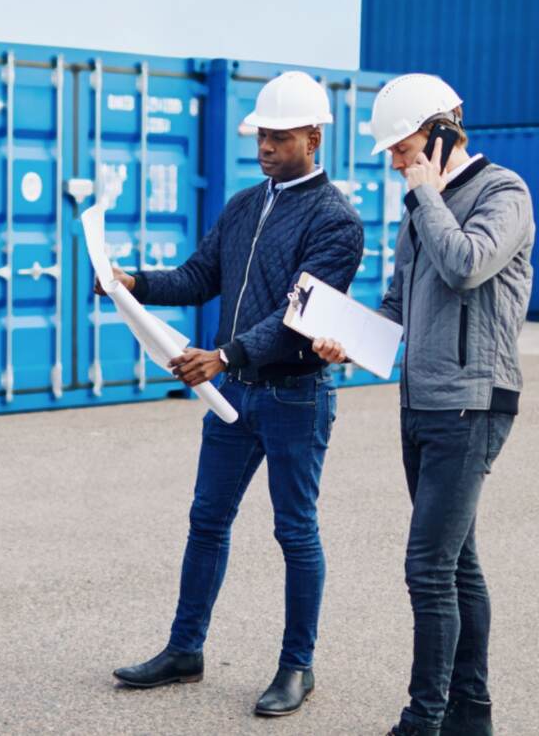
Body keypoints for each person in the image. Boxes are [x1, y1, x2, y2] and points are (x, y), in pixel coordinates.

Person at [102, 71, 363, 717]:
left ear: (313, 135)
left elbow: (299, 316)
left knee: (294, 531)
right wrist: (129, 280)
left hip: (293, 397)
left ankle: (296, 667)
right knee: (206, 522)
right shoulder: (246, 204)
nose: (266, 146)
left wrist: (223, 355)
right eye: (261, 136)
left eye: (278, 136)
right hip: (233, 397)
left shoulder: (337, 222)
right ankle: (184, 651)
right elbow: (198, 277)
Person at [313, 74, 534, 736]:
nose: (395, 162)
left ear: (442, 132)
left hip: (473, 405)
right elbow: (394, 305)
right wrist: (343, 338)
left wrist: (426, 193)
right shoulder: (420, 206)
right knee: (458, 563)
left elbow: (468, 263)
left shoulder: (504, 192)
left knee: (428, 569)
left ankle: (424, 719)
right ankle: (472, 716)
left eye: (403, 148)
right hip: (422, 405)